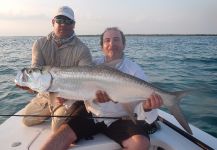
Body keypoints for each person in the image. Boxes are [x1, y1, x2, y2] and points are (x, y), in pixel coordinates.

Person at [40, 27, 163, 150]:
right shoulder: (92, 66)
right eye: (107, 40)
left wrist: (147, 107)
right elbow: (79, 91)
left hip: (120, 119)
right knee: (54, 141)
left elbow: (139, 108)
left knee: (141, 144)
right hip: (91, 115)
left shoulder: (135, 70)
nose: (111, 44)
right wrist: (64, 99)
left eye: (116, 40)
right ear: (101, 46)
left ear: (124, 45)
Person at [22, 6, 92, 131]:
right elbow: (36, 72)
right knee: (27, 119)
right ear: (53, 22)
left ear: (73, 25)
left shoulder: (83, 50)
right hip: (45, 95)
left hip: (70, 96)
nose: (63, 24)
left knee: (57, 129)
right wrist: (30, 86)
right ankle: (51, 110)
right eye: (59, 20)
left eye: (68, 21)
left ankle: (65, 112)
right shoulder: (39, 44)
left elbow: (86, 82)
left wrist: (68, 96)